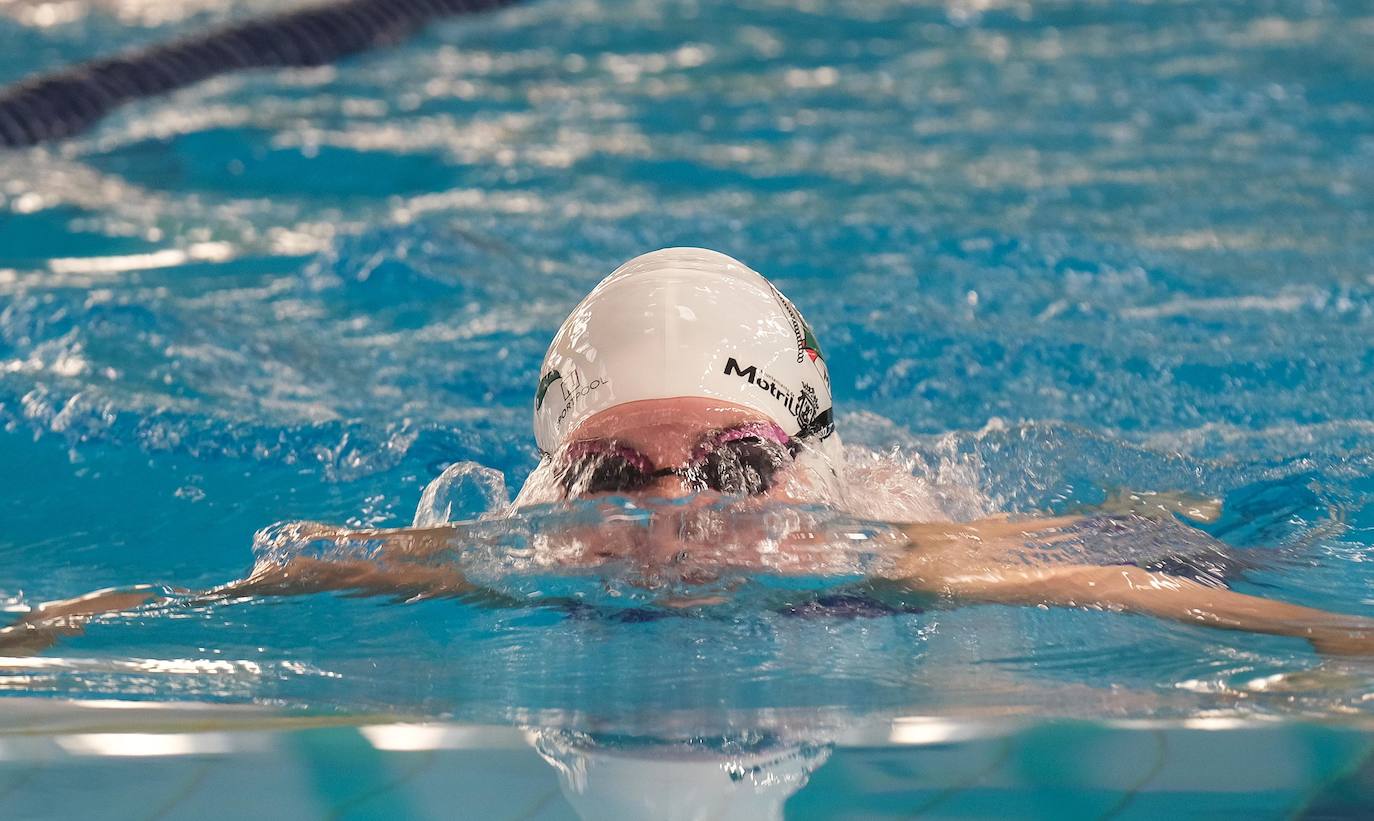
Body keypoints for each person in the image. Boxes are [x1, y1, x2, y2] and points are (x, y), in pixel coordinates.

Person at [4, 248, 1374, 655]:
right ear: (559, 479)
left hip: (1014, 522)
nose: (672, 517)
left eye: (729, 465)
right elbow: (235, 594)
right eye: (618, 473)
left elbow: (1186, 598)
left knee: (1200, 523)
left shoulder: (911, 550)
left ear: (792, 463)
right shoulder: (495, 551)